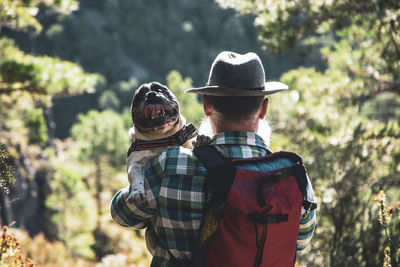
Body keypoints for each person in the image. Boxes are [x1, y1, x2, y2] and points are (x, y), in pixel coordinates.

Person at [110, 51, 316, 266]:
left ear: (206, 105)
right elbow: (301, 241)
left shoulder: (169, 164)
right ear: (263, 109)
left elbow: (122, 214)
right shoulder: (291, 176)